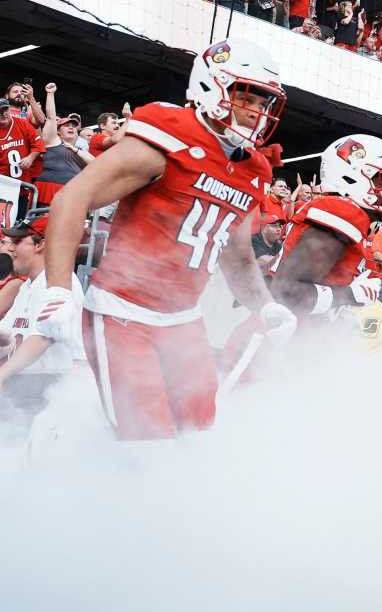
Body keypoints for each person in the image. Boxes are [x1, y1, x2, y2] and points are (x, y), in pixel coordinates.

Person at [40, 39, 294, 441]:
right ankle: (57, 443)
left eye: (265, 103)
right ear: (212, 86)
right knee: (146, 441)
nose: (257, 112)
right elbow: (73, 198)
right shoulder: (171, 136)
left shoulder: (254, 169)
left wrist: (265, 307)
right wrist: (57, 290)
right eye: (248, 97)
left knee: (196, 435)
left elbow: (238, 254)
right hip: (123, 312)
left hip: (184, 320)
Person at [233, 135, 382, 358]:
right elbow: (286, 292)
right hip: (272, 346)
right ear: (351, 175)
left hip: (292, 342)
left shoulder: (350, 214)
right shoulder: (344, 212)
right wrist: (349, 296)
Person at [0, 214, 86, 427]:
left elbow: (43, 338)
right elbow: (7, 335)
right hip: (28, 386)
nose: (12, 249)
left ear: (41, 245)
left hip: (52, 389)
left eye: (19, 242)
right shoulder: (29, 285)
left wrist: (2, 374)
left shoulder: (60, 284)